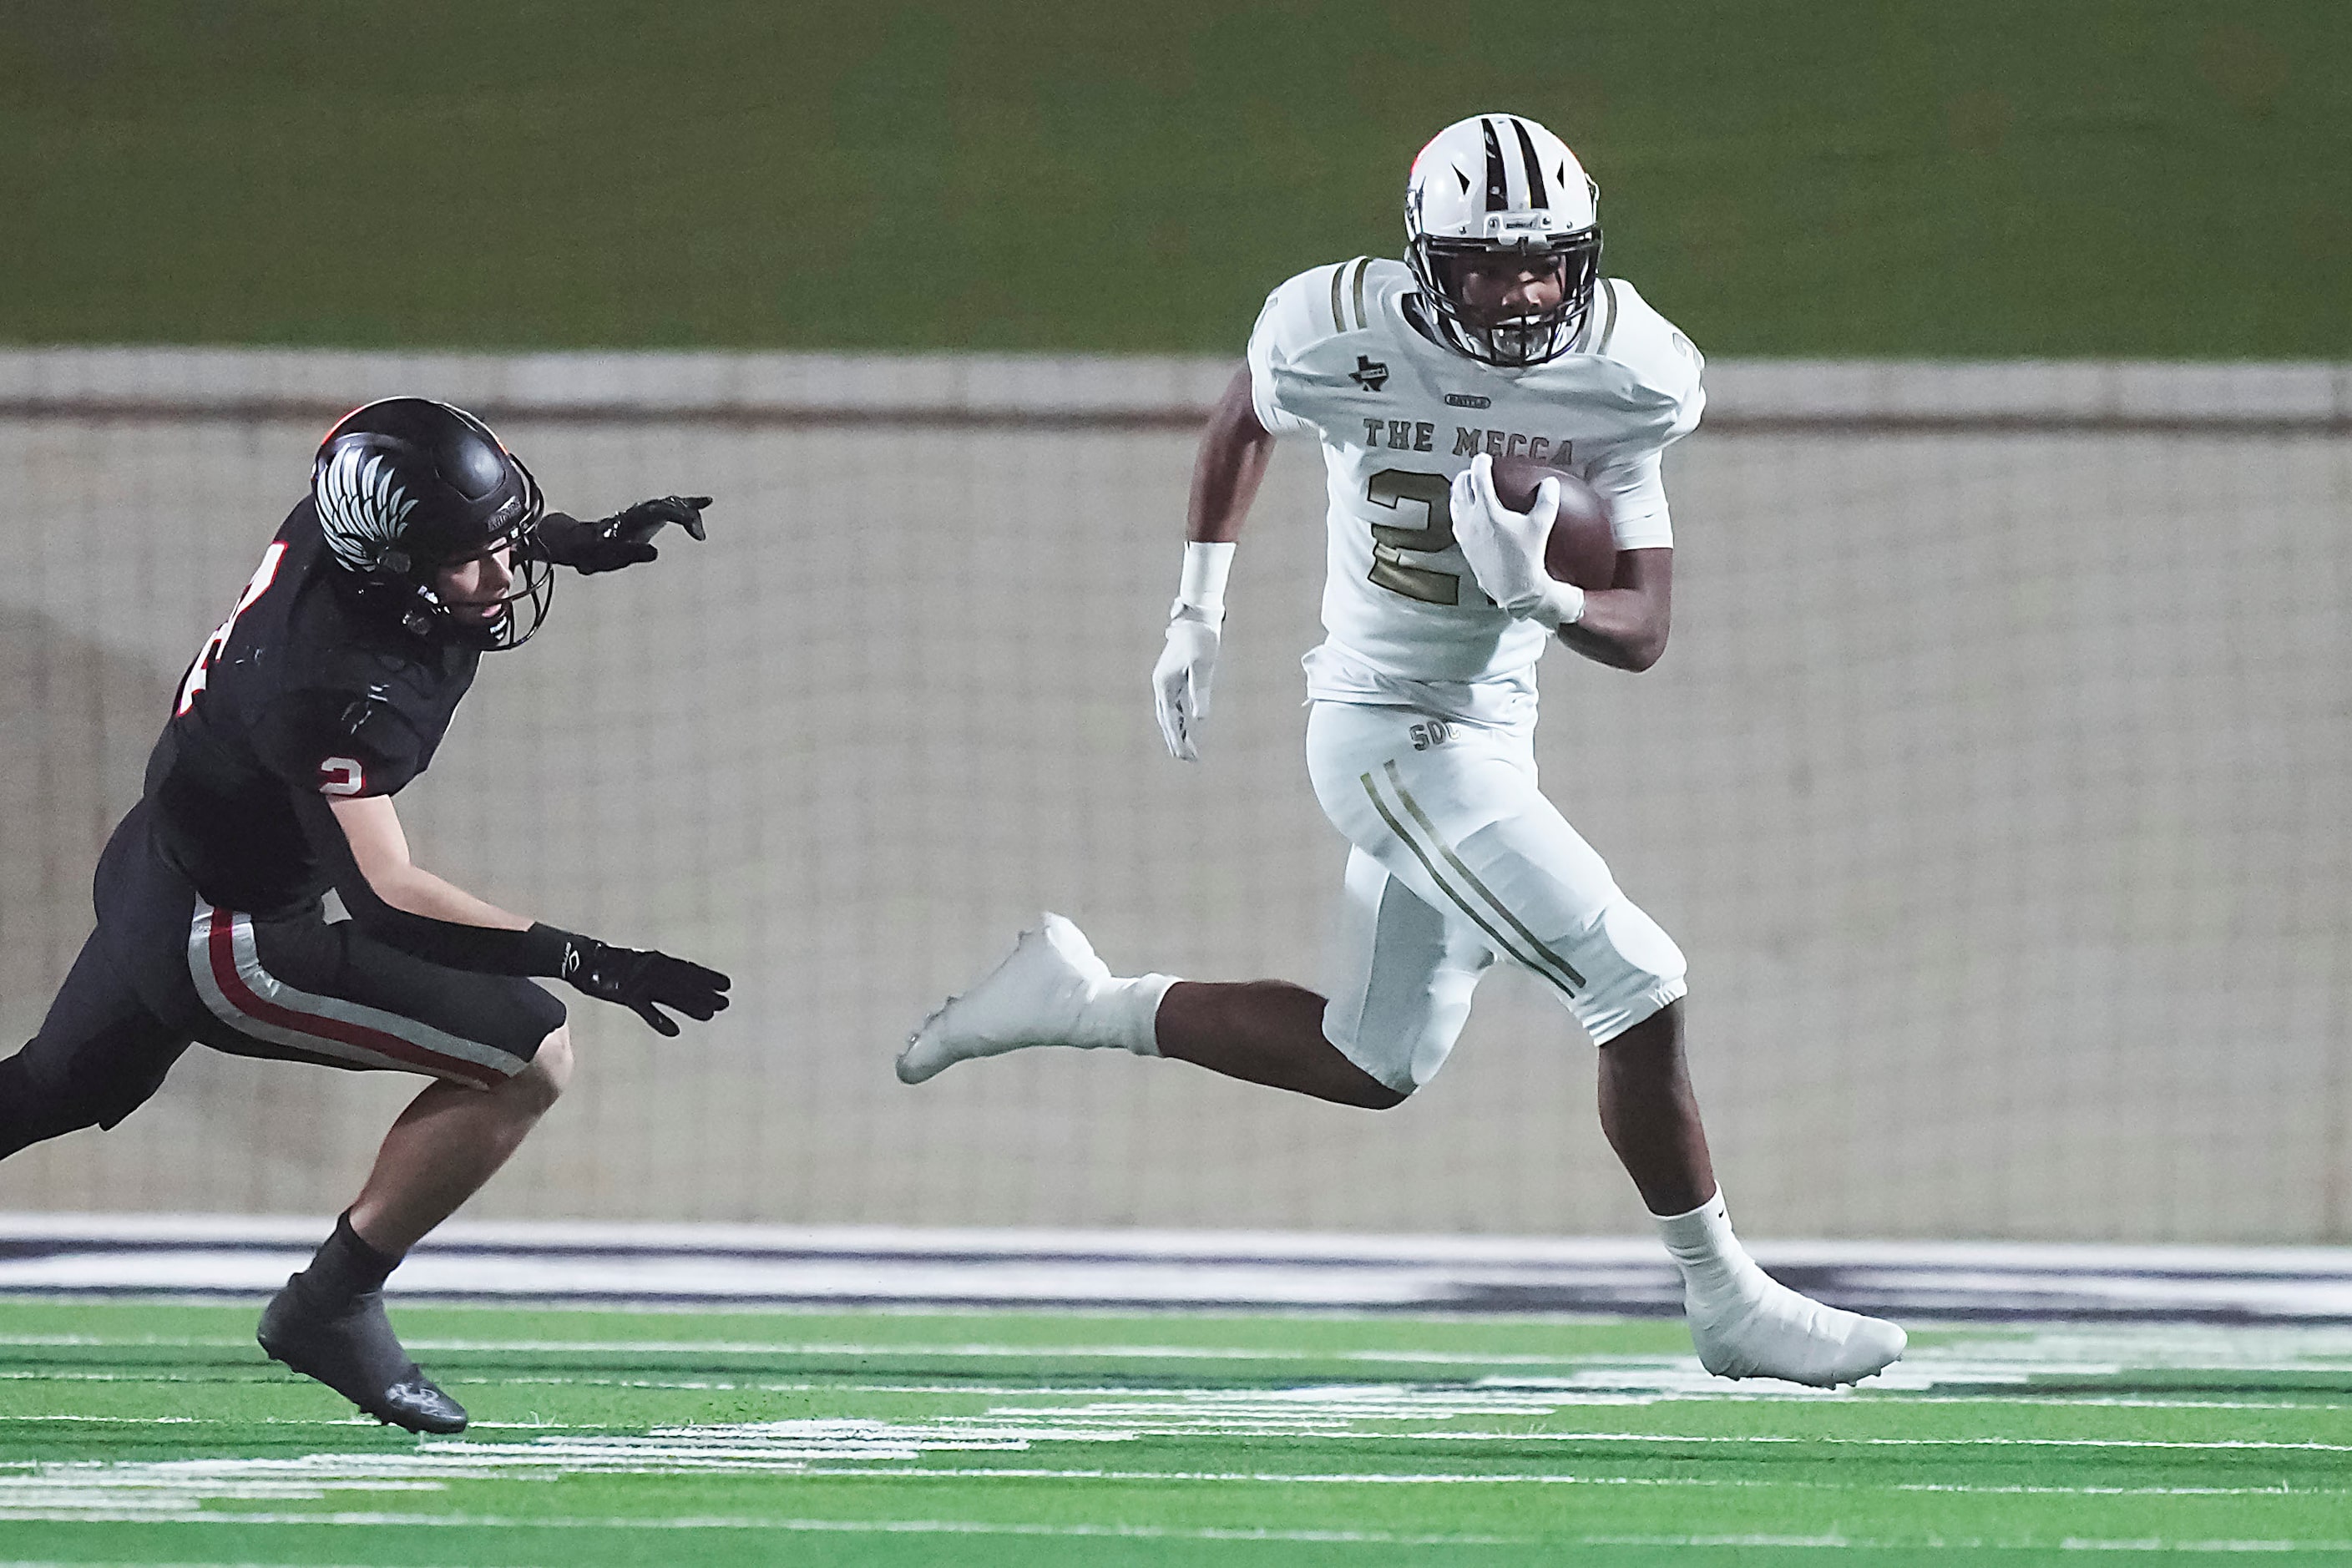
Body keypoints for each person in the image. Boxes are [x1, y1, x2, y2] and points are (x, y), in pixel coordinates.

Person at [901, 114, 1904, 1387]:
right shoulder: (1334, 328)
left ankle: (1077, 999)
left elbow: (1644, 627)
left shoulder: (1629, 367)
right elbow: (1241, 421)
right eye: (1487, 265)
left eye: (1545, 261)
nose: (1522, 290)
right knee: (1636, 977)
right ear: (1427, 261)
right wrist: (1195, 607)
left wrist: (1544, 601)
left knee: (1372, 1060)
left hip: (1493, 732)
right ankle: (1725, 1295)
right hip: (1383, 731)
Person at [0, 398, 731, 1431]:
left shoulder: (348, 525)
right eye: (468, 560)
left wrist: (572, 537)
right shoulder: (338, 691)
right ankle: (330, 1303)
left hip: (160, 861)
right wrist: (590, 960)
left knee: (46, 1088)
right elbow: (388, 900)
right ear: (393, 574)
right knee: (532, 1054)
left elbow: (452, 523)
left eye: (505, 535)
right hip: (237, 938)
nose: (504, 574)